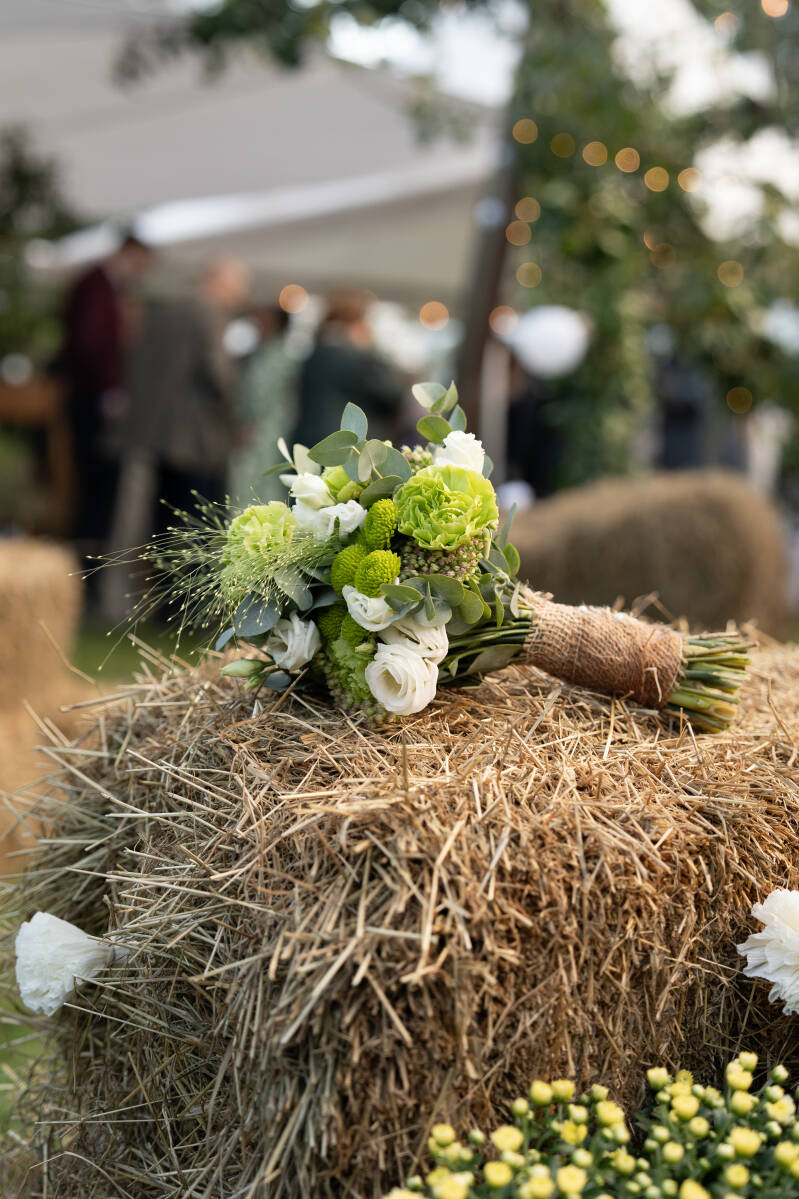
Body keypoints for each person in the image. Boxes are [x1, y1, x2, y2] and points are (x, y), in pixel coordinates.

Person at [101, 258, 250, 621]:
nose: (240, 296)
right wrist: (238, 420)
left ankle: (164, 604)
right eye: (238, 287)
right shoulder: (208, 313)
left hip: (155, 436)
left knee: (162, 525)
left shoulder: (162, 312)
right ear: (220, 282)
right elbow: (219, 375)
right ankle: (191, 610)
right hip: (195, 440)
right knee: (197, 526)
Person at [59, 233, 153, 555]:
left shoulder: (106, 287)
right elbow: (91, 342)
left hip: (95, 397)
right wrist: (109, 388)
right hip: (92, 400)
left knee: (99, 487)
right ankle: (86, 567)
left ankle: (90, 565)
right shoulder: (97, 286)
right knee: (95, 487)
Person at [293, 291, 403, 448]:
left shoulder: (315, 352)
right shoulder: (358, 356)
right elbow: (391, 392)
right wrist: (370, 348)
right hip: (349, 446)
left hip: (309, 439)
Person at [229, 304, 298, 505]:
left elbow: (257, 394)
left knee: (253, 488)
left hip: (262, 432)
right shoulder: (278, 353)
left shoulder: (274, 356)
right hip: (272, 429)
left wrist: (245, 421)